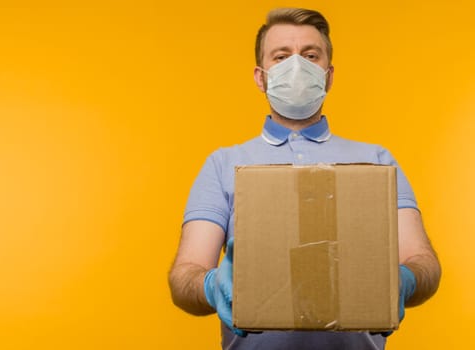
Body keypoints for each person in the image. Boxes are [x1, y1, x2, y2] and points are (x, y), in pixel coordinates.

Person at [169, 7, 441, 350]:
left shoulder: (377, 161)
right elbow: (185, 275)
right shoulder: (224, 164)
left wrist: (406, 280)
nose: (296, 66)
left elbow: (423, 261)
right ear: (260, 76)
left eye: (310, 55)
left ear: (328, 75)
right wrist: (210, 285)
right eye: (281, 56)